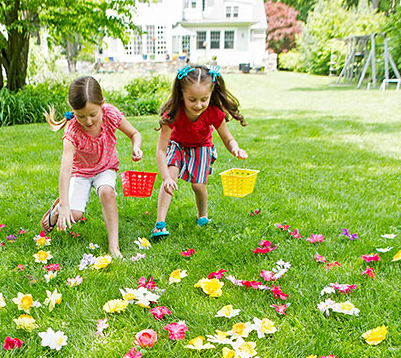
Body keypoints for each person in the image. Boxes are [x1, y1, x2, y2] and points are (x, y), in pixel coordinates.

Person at [42, 76, 143, 257]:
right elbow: (65, 170)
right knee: (75, 215)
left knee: (107, 192)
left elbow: (134, 133)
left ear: (102, 104)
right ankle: (57, 208)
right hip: (80, 173)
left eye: (93, 115)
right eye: (81, 116)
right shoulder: (72, 131)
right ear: (73, 110)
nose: (88, 121)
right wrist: (64, 205)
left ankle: (114, 246)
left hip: (105, 167)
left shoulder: (111, 114)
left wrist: (136, 147)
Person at [151, 64, 248, 238]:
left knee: (198, 185)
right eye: (192, 99)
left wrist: (235, 148)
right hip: (177, 144)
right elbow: (161, 150)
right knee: (171, 177)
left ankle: (202, 216)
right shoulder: (172, 113)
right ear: (181, 94)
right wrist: (165, 177)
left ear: (211, 94)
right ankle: (160, 224)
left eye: (204, 99)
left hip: (202, 146)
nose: (198, 105)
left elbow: (227, 138)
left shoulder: (213, 113)